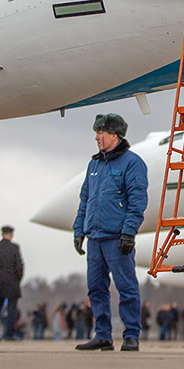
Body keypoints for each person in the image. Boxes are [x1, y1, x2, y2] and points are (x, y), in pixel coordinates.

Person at [73, 113, 148, 352]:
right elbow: (85, 199)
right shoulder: (94, 164)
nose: (96, 137)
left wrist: (128, 232)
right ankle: (103, 335)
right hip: (94, 237)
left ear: (113, 135)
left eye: (100, 133)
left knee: (126, 287)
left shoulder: (132, 163)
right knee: (95, 287)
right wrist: (79, 230)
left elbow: (137, 201)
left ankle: (131, 335)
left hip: (117, 238)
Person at [0, 225, 24, 341]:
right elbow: (19, 266)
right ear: (11, 235)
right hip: (12, 282)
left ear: (2, 234)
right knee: (12, 309)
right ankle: (9, 334)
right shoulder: (14, 248)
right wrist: (17, 279)